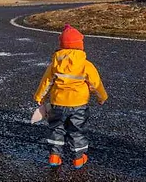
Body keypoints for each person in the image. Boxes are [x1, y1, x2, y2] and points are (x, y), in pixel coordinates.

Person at [34, 24, 108, 169]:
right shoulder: (86, 65)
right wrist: (102, 97)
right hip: (79, 105)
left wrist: (39, 96)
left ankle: (54, 156)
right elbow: (96, 84)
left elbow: (46, 82)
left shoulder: (55, 63)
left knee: (56, 129)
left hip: (57, 104)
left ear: (62, 45)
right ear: (80, 45)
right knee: (77, 130)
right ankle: (78, 158)